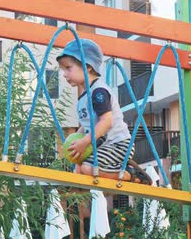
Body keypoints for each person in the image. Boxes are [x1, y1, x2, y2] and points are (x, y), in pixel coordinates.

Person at [56, 38, 150, 184]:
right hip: (103, 144)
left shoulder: (98, 92)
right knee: (79, 169)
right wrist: (77, 139)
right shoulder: (84, 96)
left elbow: (106, 121)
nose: (65, 74)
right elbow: (86, 125)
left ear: (88, 67)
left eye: (68, 68)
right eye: (63, 70)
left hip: (118, 144)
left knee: (88, 169)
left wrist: (85, 141)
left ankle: (132, 176)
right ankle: (111, 173)